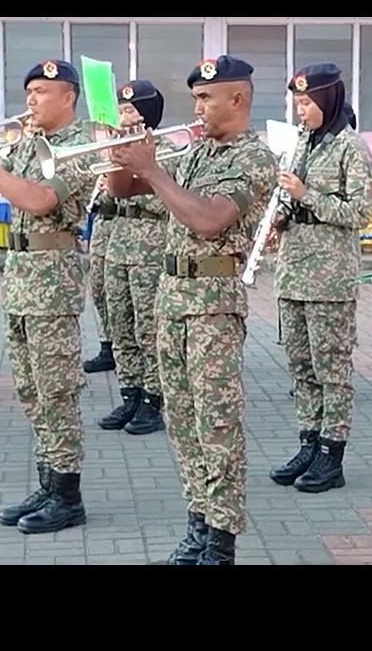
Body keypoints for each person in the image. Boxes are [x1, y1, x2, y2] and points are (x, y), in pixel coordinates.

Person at [104, 55, 278, 565]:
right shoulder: (196, 153)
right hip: (172, 298)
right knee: (181, 422)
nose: (197, 108)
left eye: (206, 98)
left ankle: (221, 538)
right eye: (195, 99)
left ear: (238, 99)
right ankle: (198, 520)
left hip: (213, 308)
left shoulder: (254, 157)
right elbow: (124, 190)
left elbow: (209, 220)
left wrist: (153, 168)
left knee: (216, 423)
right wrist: (123, 152)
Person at [0, 59, 96, 535]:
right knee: (32, 391)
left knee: (56, 391)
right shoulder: (27, 141)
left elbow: (39, 201)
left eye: (41, 91)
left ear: (68, 96)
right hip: (19, 279)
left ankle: (68, 495)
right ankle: (49, 480)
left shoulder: (83, 142)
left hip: (53, 282)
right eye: (28, 90)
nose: (30, 99)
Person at [268, 63, 372, 493]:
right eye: (297, 102)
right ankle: (309, 442)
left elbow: (359, 213)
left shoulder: (351, 147)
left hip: (329, 279)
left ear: (328, 101)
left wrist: (305, 195)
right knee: (301, 367)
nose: (301, 110)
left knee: (331, 368)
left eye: (308, 103)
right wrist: (280, 212)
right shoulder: (302, 144)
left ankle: (333, 452)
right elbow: (294, 200)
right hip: (293, 273)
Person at [96, 80, 175, 436]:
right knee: (120, 324)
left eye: (130, 110)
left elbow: (163, 200)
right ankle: (130, 392)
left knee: (148, 328)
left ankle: (153, 399)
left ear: (148, 115)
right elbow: (106, 203)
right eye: (121, 110)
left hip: (150, 248)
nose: (123, 116)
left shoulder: (170, 149)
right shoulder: (116, 151)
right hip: (118, 247)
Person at [83, 182, 117, 375]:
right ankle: (107, 345)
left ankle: (122, 349)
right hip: (101, 230)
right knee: (98, 291)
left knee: (117, 297)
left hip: (122, 231)